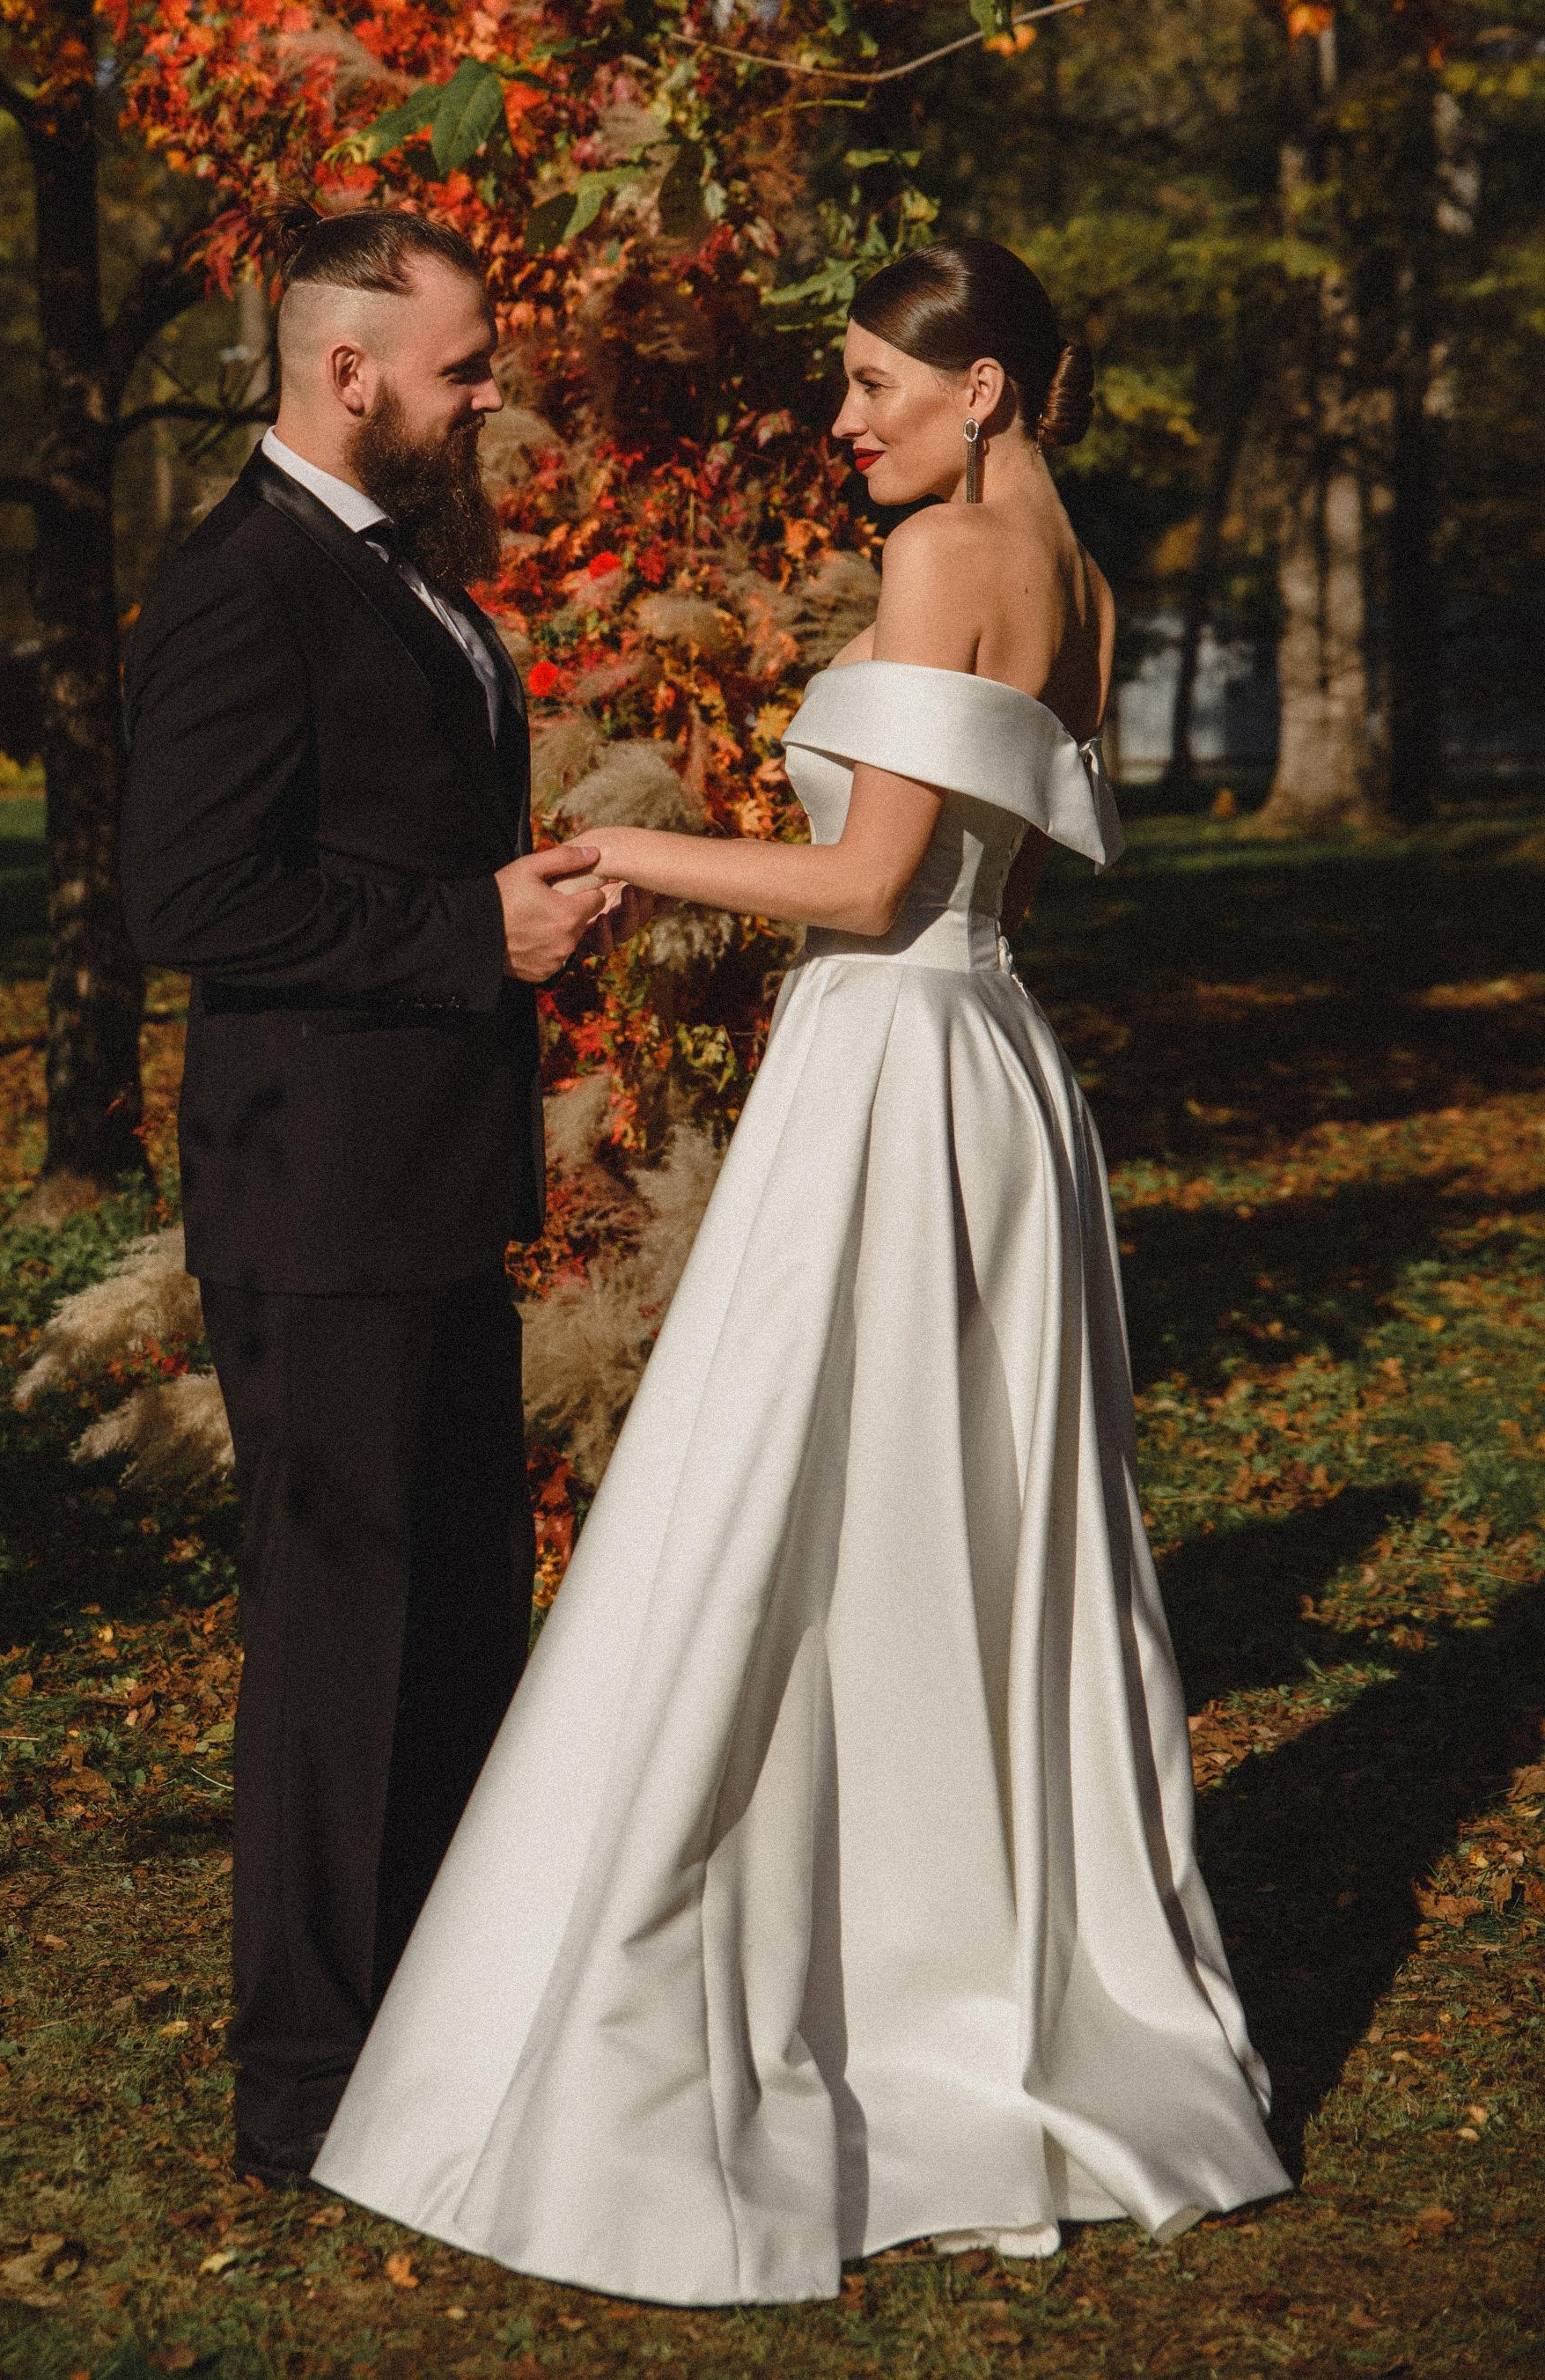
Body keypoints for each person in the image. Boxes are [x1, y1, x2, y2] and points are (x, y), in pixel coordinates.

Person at [314, 238, 1291, 2301]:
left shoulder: (941, 561)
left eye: (871, 385)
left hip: (889, 1067)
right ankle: (965, 1943)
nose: (842, 422)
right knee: (952, 1521)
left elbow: (863, 883)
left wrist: (618, 851)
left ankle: (787, 1976)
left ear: (981, 390)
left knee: (786, 1503)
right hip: (991, 1061)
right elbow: (999, 882)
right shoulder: (1079, 573)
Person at [119, 204, 612, 2188]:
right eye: (463, 366)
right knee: (340, 1639)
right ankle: (305, 2084)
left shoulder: (402, 571)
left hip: (425, 1176)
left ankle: (435, 2016)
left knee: (457, 1611)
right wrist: (470, 930)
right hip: (314, 1192)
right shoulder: (242, 585)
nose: (488, 395)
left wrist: (509, 907)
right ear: (349, 372)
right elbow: (193, 898)